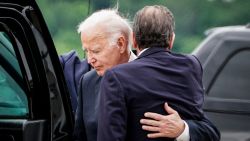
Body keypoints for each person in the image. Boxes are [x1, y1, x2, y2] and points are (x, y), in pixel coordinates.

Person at [97, 5, 220, 141]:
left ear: (134, 40)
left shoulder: (116, 76)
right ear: (171, 40)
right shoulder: (191, 66)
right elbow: (206, 127)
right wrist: (184, 130)